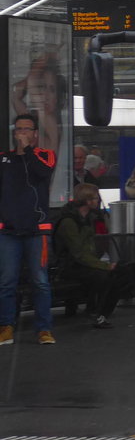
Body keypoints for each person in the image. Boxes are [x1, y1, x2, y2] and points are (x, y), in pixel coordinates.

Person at [0, 113, 57, 345]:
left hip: (37, 229)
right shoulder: (3, 159)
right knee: (6, 281)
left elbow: (43, 174)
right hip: (8, 230)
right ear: (14, 133)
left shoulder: (45, 155)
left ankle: (44, 329)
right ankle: (6, 326)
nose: (22, 133)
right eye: (18, 129)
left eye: (27, 129)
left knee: (40, 281)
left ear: (34, 134)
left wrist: (29, 151)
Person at [54, 184, 135, 329]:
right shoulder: (69, 222)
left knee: (122, 272)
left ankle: (100, 312)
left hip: (84, 263)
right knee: (105, 276)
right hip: (70, 266)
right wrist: (105, 265)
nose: (98, 201)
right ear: (87, 201)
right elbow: (78, 253)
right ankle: (96, 313)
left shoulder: (88, 218)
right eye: (94, 198)